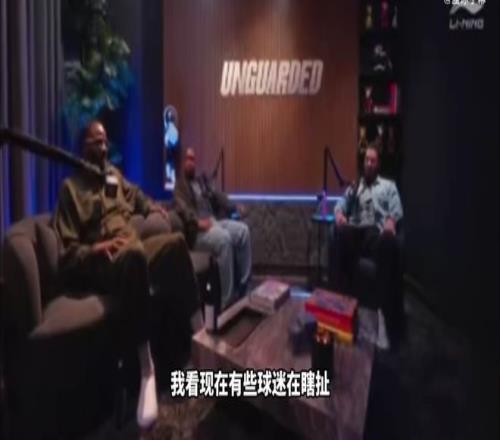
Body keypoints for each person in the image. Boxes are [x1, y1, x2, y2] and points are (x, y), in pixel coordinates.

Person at [53, 121, 198, 429]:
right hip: (104, 260)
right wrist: (96, 248)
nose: (104, 148)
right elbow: (66, 255)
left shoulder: (114, 176)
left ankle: (200, 340)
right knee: (133, 256)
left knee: (174, 244)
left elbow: (136, 196)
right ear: (83, 147)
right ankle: (147, 370)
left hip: (134, 249)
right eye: (97, 142)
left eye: (105, 142)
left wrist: (153, 207)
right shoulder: (70, 190)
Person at [332, 144, 404, 348]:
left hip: (376, 235)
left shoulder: (388, 186)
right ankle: (340, 311)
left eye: (373, 160)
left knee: (388, 240)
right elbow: (340, 205)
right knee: (340, 231)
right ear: (363, 163)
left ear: (378, 164)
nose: (369, 164)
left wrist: (391, 221)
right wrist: (339, 215)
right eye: (367, 160)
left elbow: (396, 210)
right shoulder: (355, 187)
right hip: (356, 233)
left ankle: (382, 318)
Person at [174, 147, 251, 308]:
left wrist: (235, 207)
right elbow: (182, 209)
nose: (191, 162)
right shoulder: (180, 186)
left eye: (193, 159)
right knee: (224, 239)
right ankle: (226, 302)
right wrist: (197, 222)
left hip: (214, 222)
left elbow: (218, 196)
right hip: (198, 232)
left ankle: (244, 290)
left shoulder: (201, 181)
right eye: (188, 159)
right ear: (182, 163)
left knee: (243, 231)